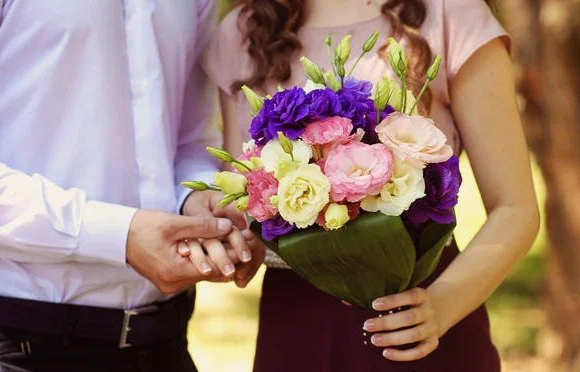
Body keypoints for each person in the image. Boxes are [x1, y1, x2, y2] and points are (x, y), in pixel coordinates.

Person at [200, 0, 540, 370]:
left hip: (419, 317)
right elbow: (245, 204)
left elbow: (515, 209)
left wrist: (441, 305)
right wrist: (227, 244)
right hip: (297, 327)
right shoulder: (243, 31)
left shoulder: (451, 13)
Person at [0, 1, 263, 371]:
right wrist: (120, 235)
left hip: (165, 344)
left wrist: (195, 199)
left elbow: (189, 139)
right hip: (16, 345)